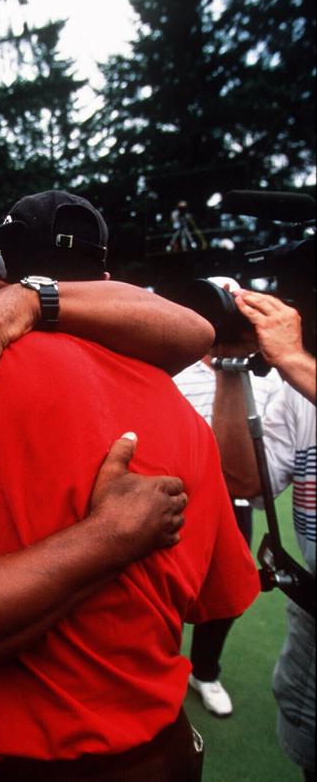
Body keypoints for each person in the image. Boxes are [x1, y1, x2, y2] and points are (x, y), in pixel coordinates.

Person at [0, 193, 259, 780]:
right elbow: (216, 598)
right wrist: (109, 540)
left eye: (0, 270)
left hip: (14, 759)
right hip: (164, 752)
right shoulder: (173, 401)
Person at [212, 288, 315, 782]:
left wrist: (294, 359)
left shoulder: (302, 371)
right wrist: (231, 365)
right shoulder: (302, 392)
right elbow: (243, 481)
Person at [173, 277, 282, 718]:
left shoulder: (267, 375)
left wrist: (234, 364)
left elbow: (254, 466)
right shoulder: (171, 361)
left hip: (230, 500)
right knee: (158, 588)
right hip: (172, 493)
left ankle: (205, 670)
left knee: (230, 591)